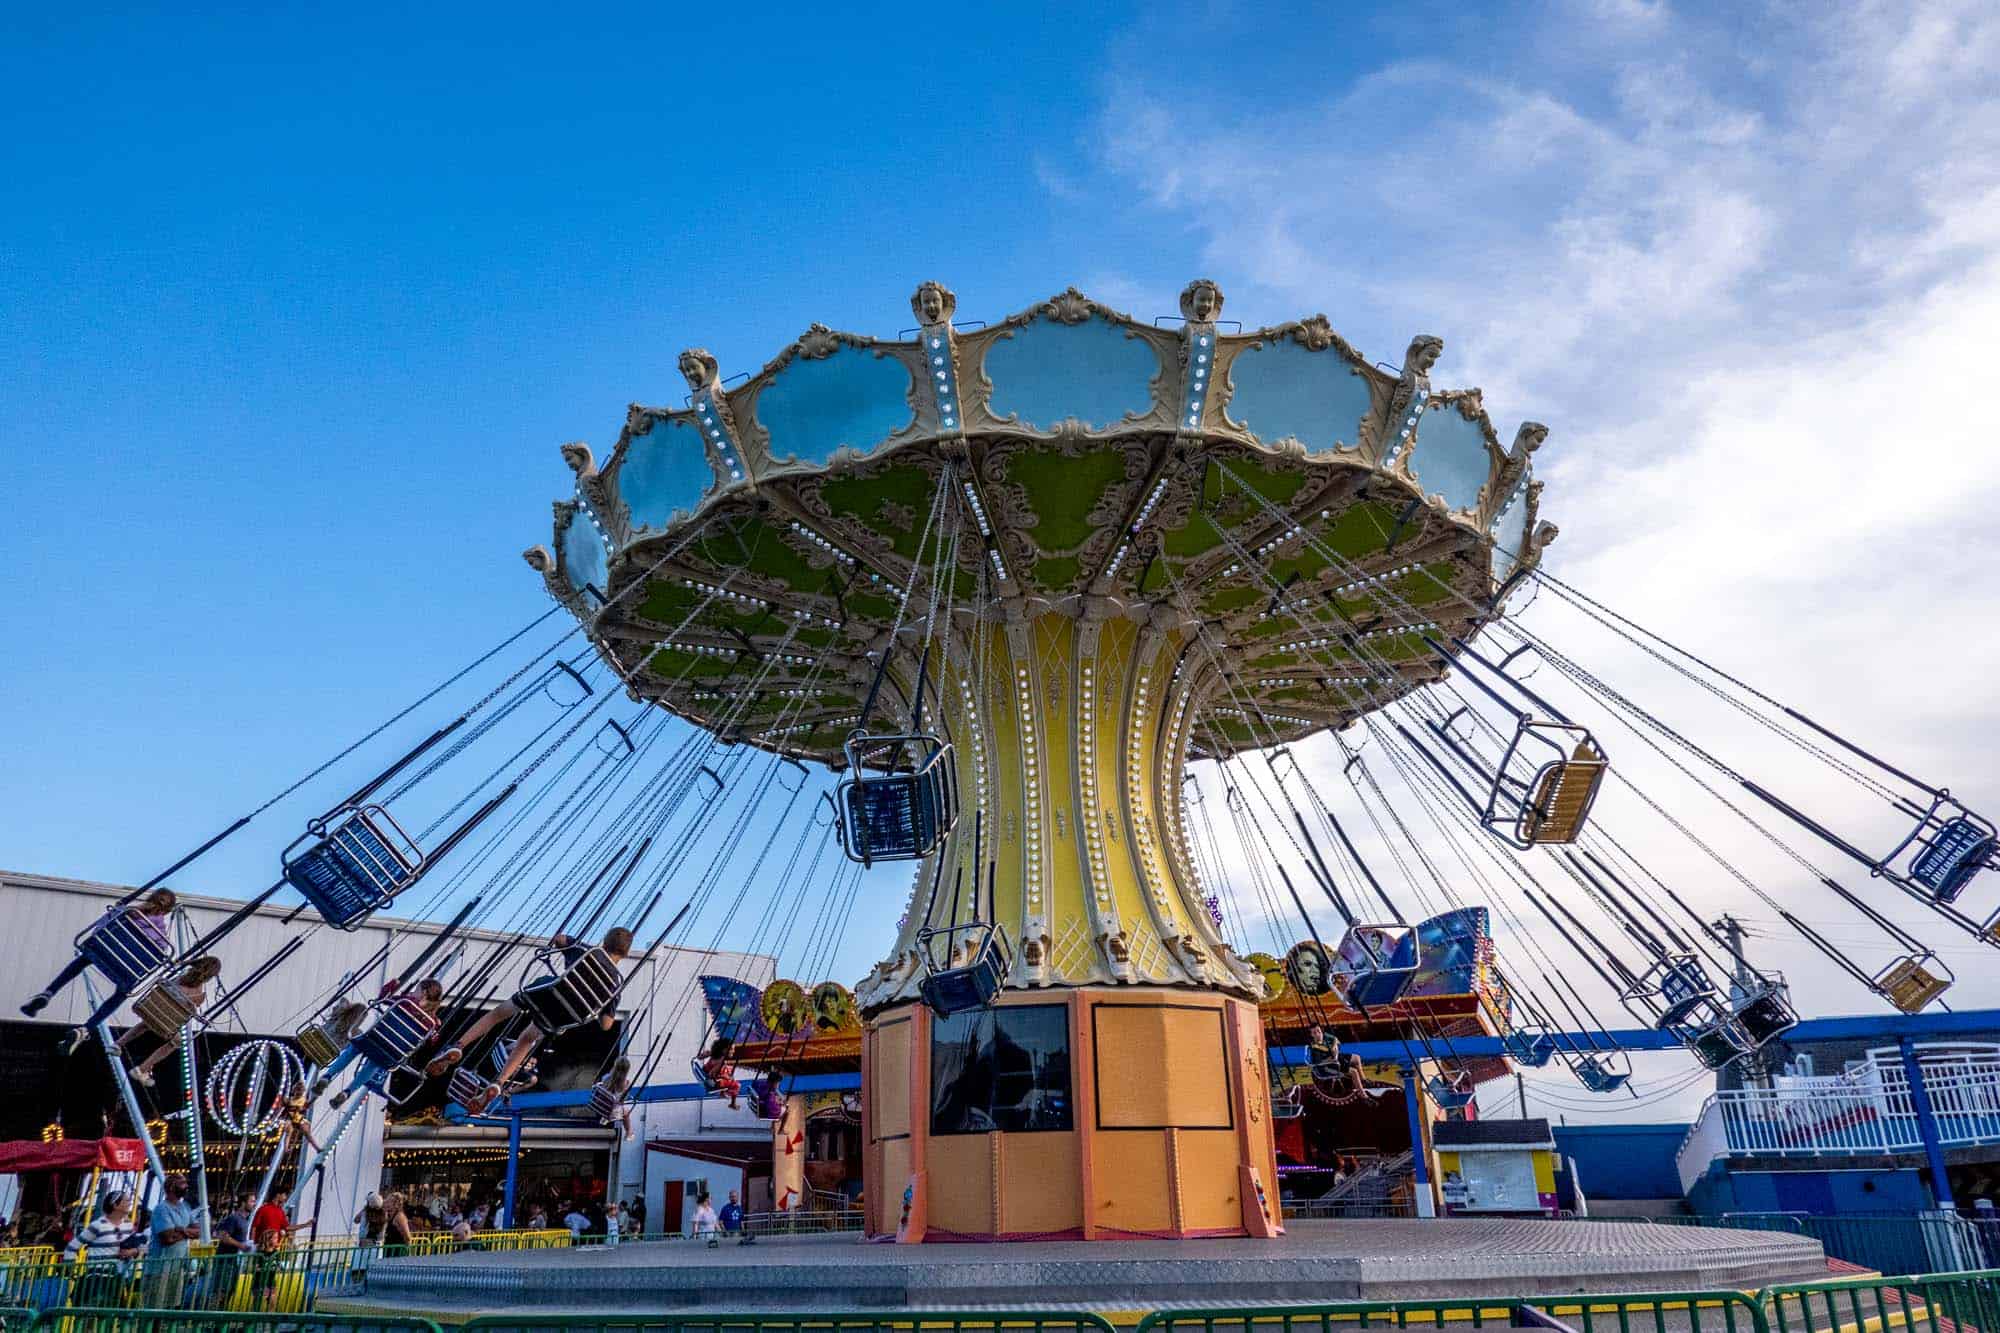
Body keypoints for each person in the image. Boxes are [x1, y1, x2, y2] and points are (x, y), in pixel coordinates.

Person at [427, 927, 632, 1078]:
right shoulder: (615, 984)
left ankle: (459, 1045)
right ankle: (499, 1083)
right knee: (528, 1038)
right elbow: (606, 1025)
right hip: (565, 1015)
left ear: (604, 941)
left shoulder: (586, 951)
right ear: (625, 953)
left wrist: (562, 946)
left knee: (497, 1014)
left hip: (547, 993)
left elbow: (559, 938)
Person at [23, 889, 179, 1040]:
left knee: (85, 958)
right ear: (166, 911)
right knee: (122, 993)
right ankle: (87, 1028)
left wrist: (118, 908)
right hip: (126, 969)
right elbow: (157, 954)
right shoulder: (160, 933)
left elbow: (101, 926)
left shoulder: (127, 912)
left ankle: (49, 992)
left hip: (105, 952)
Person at [313, 977, 446, 1108]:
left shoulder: (406, 1002)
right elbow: (431, 1041)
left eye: (416, 989)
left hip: (374, 1039)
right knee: (376, 1063)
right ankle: (347, 1093)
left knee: (354, 1048)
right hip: (391, 1053)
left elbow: (382, 999)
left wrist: (391, 987)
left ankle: (327, 1077)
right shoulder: (432, 1023)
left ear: (423, 993)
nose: (413, 992)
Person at [118, 956, 224, 1086]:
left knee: (147, 1023)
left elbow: (165, 984)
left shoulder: (179, 977)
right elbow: (189, 1011)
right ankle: (142, 1069)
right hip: (166, 1022)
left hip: (150, 1009)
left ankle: (118, 1044)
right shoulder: (199, 995)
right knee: (177, 1041)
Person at [145, 1174, 200, 1309]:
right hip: (159, 1267)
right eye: (182, 1184)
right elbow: (167, 1238)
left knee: (171, 1305)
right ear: (171, 1187)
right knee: (154, 1306)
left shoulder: (185, 1207)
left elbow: (198, 1231)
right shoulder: (161, 1209)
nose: (186, 1187)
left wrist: (181, 1230)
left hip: (177, 1266)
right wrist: (187, 1232)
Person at [210, 1193, 253, 1309]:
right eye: (251, 1201)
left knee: (230, 1290)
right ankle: (212, 1318)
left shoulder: (244, 1220)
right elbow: (224, 1236)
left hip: (234, 1261)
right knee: (221, 1290)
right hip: (225, 1260)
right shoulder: (234, 1218)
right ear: (243, 1203)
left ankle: (220, 1318)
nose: (253, 1204)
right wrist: (241, 1246)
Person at [353, 1192, 387, 1277]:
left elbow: (356, 1220)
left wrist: (364, 1209)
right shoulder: (384, 1214)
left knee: (359, 1271)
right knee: (374, 1272)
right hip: (377, 1245)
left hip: (364, 1244)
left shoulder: (365, 1213)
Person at [700, 1037, 740, 1109]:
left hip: (710, 1074)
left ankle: (723, 1092)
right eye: (731, 1049)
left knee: (729, 1070)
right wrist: (726, 1077)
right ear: (724, 1050)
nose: (733, 1051)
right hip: (715, 1082)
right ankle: (733, 1104)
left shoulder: (714, 1054)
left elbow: (702, 1057)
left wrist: (703, 1055)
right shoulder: (721, 1061)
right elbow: (712, 1074)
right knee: (736, 1085)